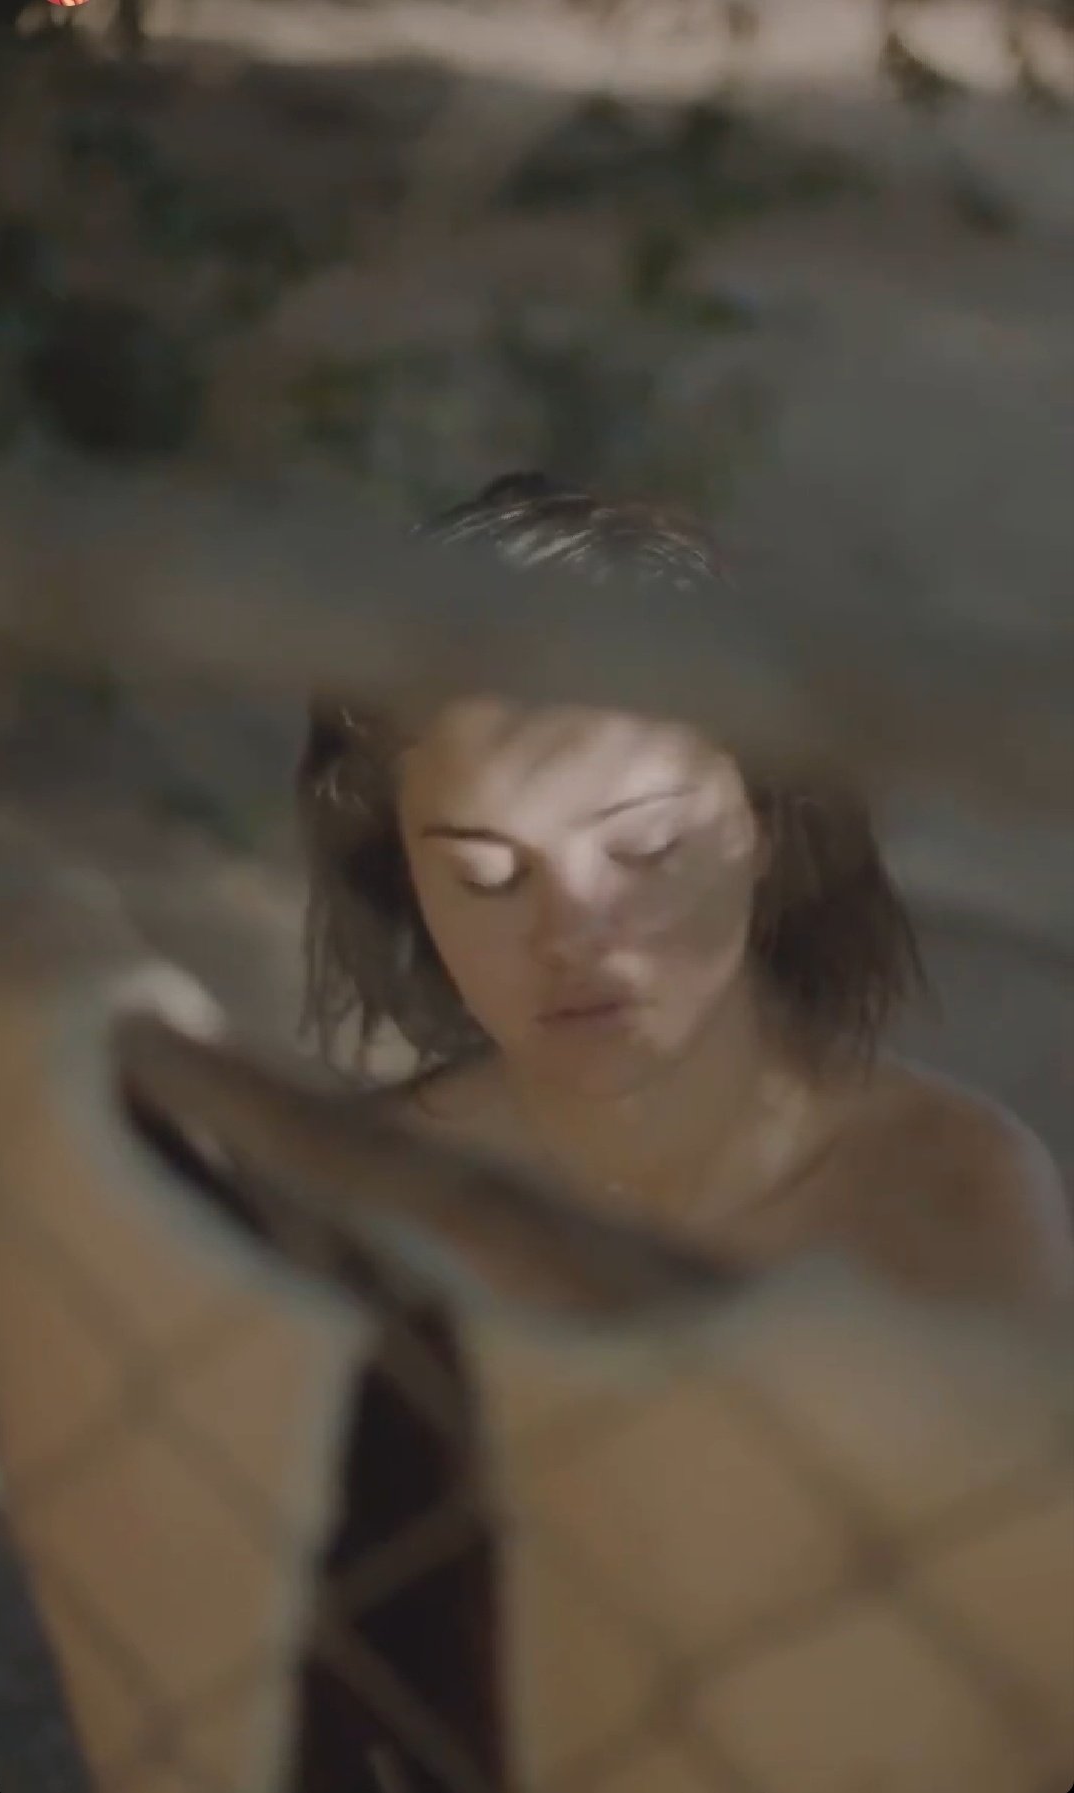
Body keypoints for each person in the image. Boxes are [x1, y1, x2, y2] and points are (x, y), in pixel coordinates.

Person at [291, 472, 1074, 1793]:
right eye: (486, 873)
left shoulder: (950, 1201)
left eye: (647, 849)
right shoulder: (351, 1197)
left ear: (765, 822)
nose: (574, 935)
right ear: (403, 881)